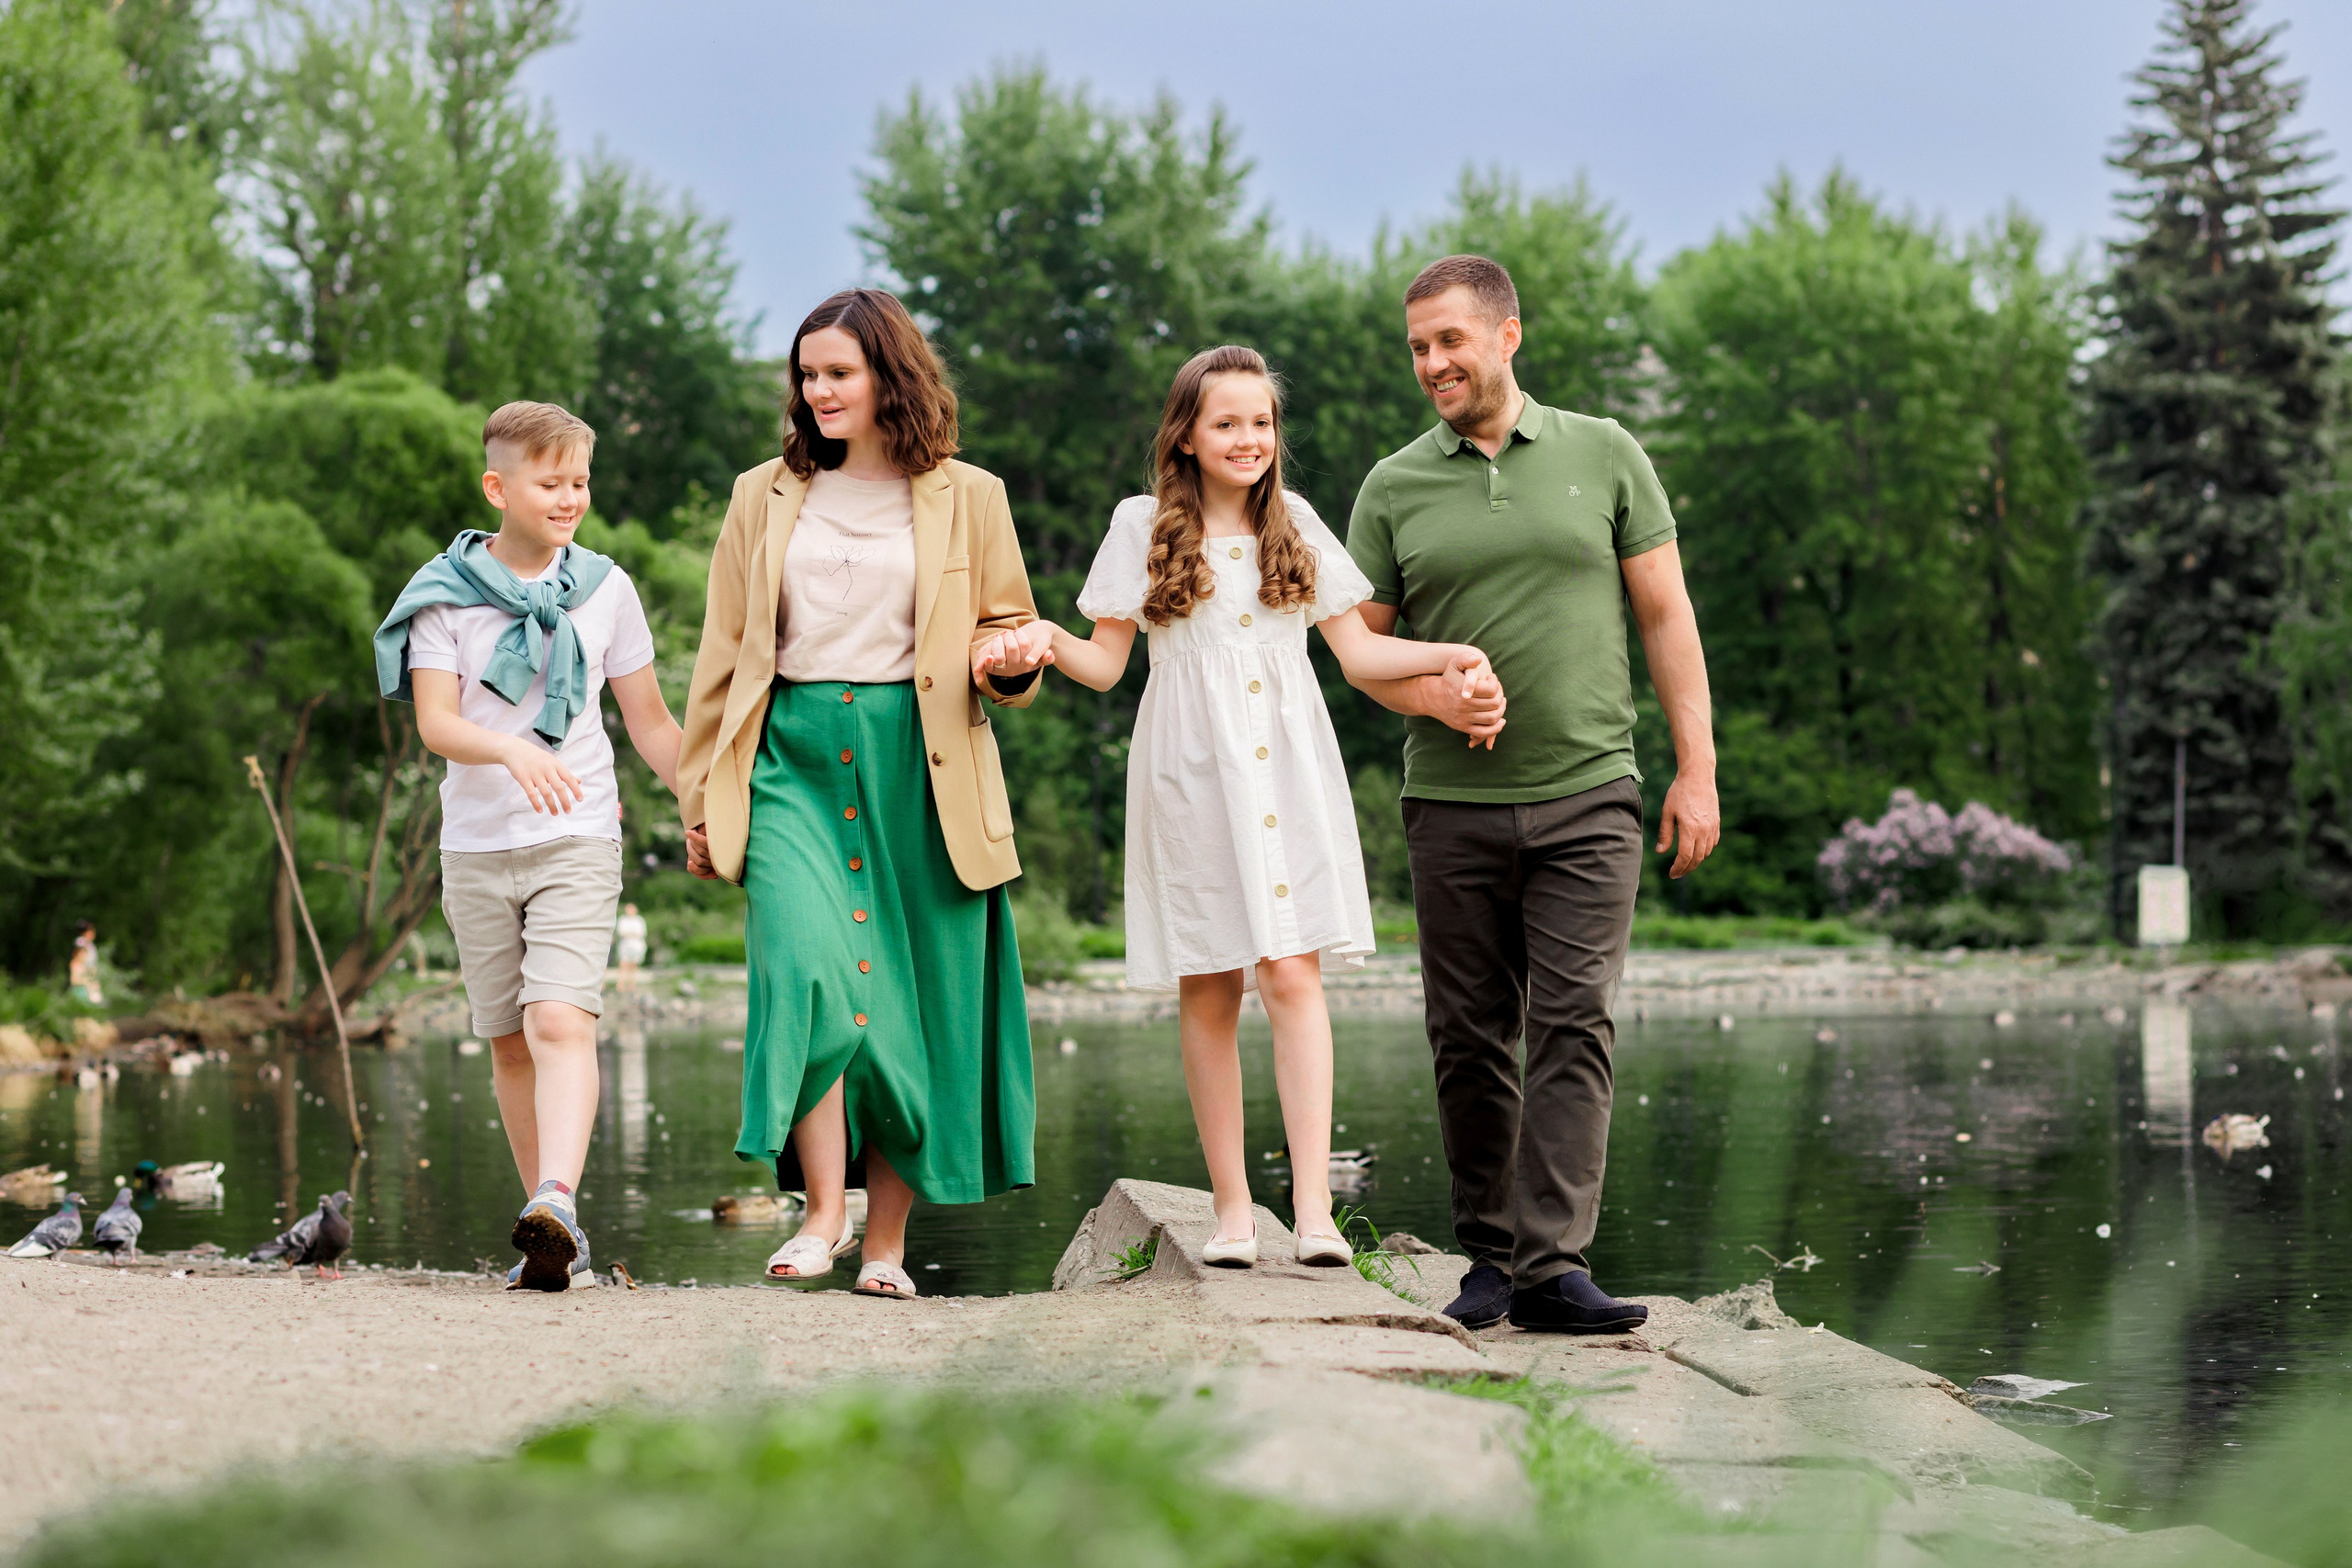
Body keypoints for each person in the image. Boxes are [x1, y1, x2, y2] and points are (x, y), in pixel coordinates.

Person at [997, 345, 1492, 1268]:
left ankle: (1310, 1215)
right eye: (1227, 422)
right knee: (1211, 983)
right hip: (1189, 774)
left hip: (1288, 766)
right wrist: (1043, 640)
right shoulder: (1139, 523)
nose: (1248, 439)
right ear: (1185, 434)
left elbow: (1359, 658)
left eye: (1261, 422)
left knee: (1294, 974)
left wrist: (1448, 654)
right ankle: (1231, 1212)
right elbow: (1106, 666)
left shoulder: (1295, 522)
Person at [1345, 256, 1719, 1333]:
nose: (1431, 364)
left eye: (1449, 341)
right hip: (1449, 810)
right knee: (1467, 1034)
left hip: (1590, 792)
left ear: (1508, 336)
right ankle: (1490, 1262)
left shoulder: (1605, 453)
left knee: (1572, 1024)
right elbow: (1361, 658)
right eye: (1417, 347)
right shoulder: (1393, 485)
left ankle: (1555, 1269)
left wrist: (1696, 770)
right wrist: (1437, 704)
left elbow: (1666, 618)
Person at [677, 288, 1046, 1299]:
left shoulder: (971, 495)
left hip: (921, 773)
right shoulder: (764, 493)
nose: (818, 391)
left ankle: (884, 1246)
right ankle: (822, 1213)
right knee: (807, 975)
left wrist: (1009, 660)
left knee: (904, 1009)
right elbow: (721, 657)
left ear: (890, 374)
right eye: (807, 374)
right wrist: (700, 799)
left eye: (838, 372)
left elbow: (1005, 635)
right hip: (789, 755)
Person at [375, 400, 684, 1292]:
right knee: (509, 1040)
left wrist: (704, 803)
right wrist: (510, 746)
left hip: (577, 835)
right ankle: (553, 1234)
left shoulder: (606, 591)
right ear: (497, 486)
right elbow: (436, 723)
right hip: (476, 845)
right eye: (551, 482)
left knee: (558, 1020)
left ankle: (558, 1195)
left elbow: (653, 725)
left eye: (580, 481)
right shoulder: (440, 596)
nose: (570, 497)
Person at [615, 903, 648, 992]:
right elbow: (621, 931)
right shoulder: (623, 919)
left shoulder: (639, 920)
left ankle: (631, 984)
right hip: (625, 944)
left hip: (636, 945)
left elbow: (642, 933)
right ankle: (620, 984)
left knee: (634, 965)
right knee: (623, 964)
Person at [67, 921, 102, 1007]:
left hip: (89, 974)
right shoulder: (82, 942)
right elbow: (80, 957)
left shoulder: (90, 945)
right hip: (84, 975)